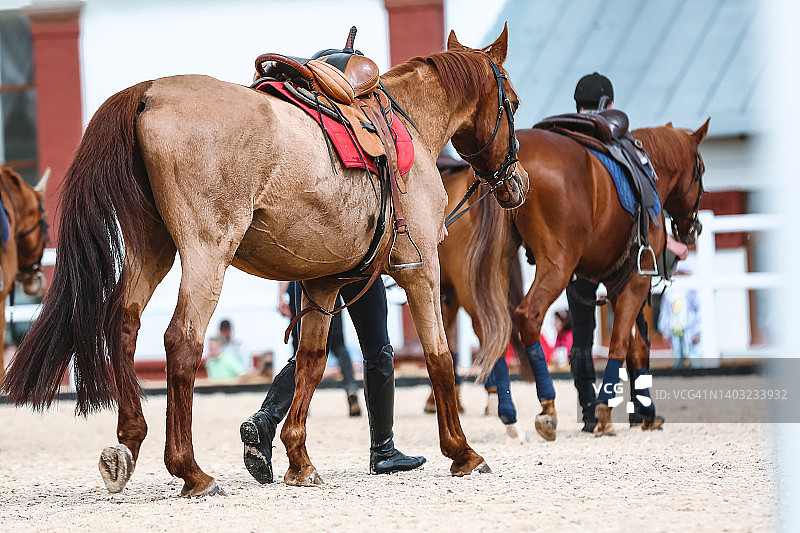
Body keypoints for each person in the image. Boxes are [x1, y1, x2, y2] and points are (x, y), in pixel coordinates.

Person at [568, 72, 690, 432]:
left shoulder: (569, 148)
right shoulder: (624, 150)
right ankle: (640, 404)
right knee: (637, 329)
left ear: (578, 106)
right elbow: (646, 207)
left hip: (577, 256)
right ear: (608, 105)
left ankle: (588, 410)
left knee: (582, 335)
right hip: (620, 255)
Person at [240, 278, 425, 483]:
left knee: (307, 351)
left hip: (305, 272)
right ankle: (384, 451)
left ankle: (266, 420)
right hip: (355, 268)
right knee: (372, 346)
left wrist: (281, 294)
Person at [278, 280, 361, 416]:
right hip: (329, 286)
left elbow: (285, 270)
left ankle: (300, 403)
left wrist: (281, 296)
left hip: (300, 290)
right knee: (338, 345)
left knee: (299, 347)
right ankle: (351, 388)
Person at [658, 262, 701, 369]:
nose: (680, 276)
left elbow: (698, 311)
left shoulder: (693, 292)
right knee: (677, 353)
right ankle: (678, 372)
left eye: (682, 273)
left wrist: (697, 330)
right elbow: (665, 311)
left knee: (693, 354)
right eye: (678, 273)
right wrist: (664, 329)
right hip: (674, 328)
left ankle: (697, 372)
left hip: (690, 328)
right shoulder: (670, 292)